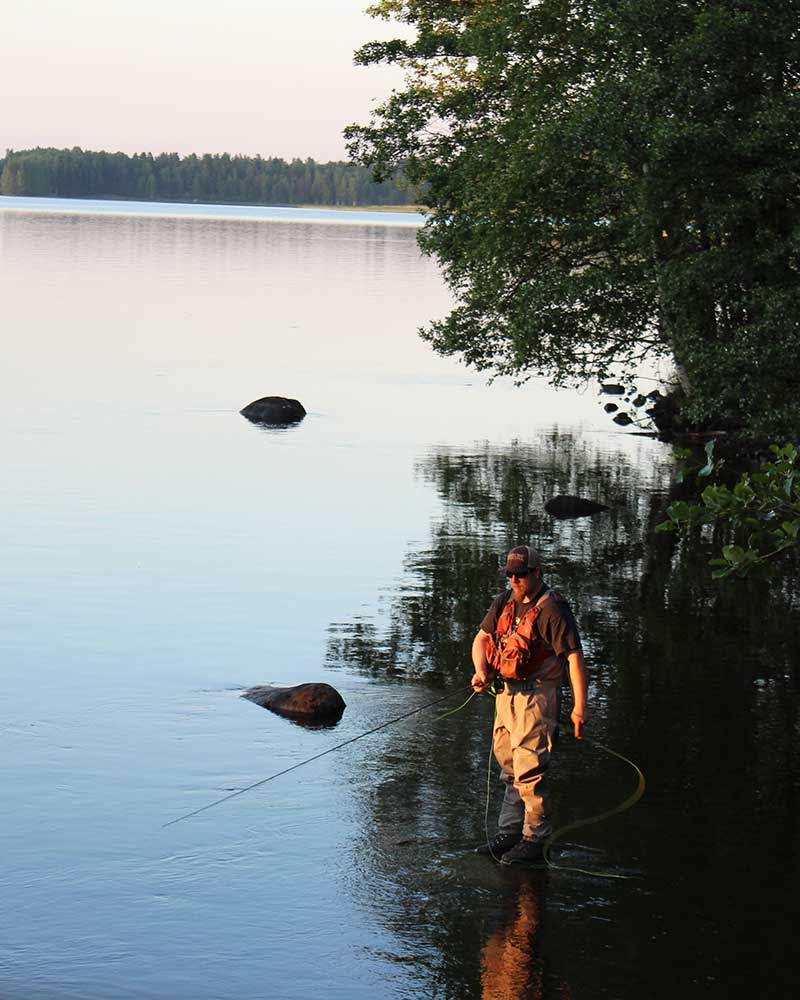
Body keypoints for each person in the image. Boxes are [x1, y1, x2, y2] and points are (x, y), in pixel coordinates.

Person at [471, 544, 588, 865]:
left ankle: (535, 837)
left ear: (537, 573)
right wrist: (482, 671)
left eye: (520, 575)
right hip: (506, 694)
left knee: (530, 770)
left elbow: (575, 658)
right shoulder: (503, 601)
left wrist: (580, 707)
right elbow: (481, 639)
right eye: (509, 574)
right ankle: (509, 832)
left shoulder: (553, 610)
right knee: (508, 765)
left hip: (538, 696)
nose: (514, 580)